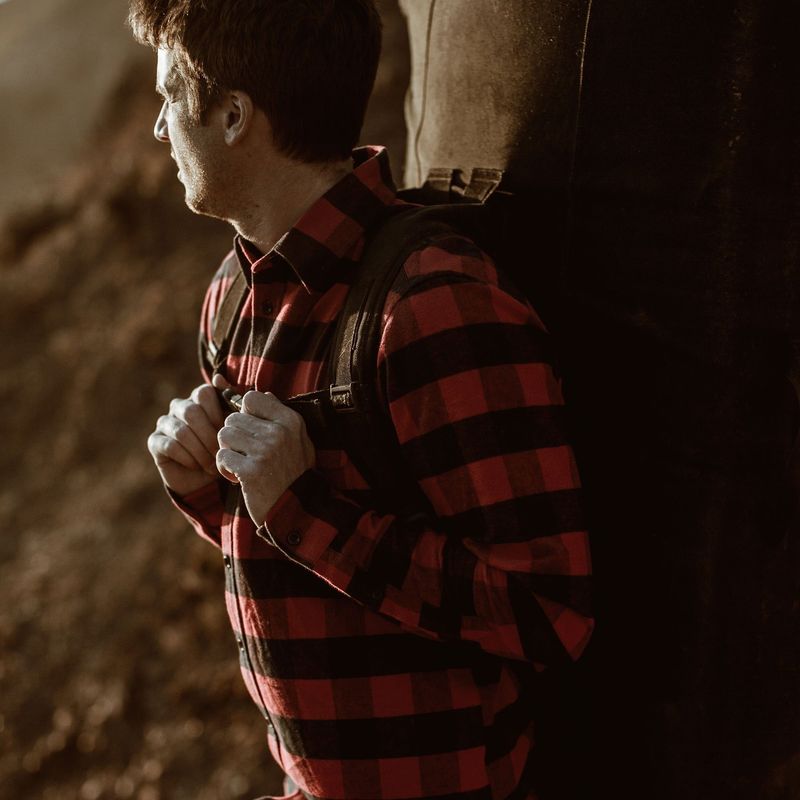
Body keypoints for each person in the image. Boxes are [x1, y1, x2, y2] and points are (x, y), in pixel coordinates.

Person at [133, 1, 593, 797]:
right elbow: (294, 556)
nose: (158, 129)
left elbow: (550, 612)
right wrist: (204, 487)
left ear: (236, 116)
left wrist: (305, 509)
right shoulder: (231, 294)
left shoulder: (433, 303)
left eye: (172, 97)